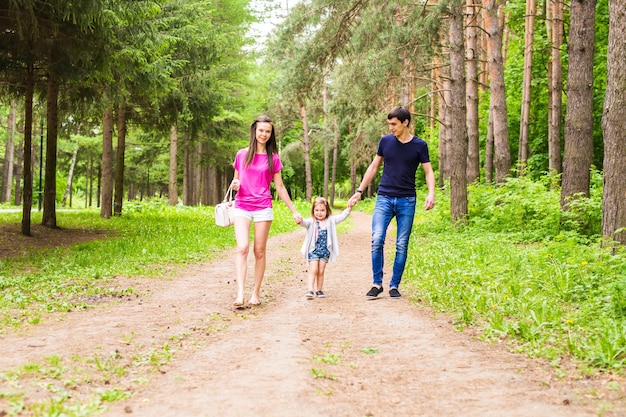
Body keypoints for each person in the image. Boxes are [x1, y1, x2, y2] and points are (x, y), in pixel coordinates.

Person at [348, 106, 435, 299]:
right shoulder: (385, 141)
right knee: (377, 239)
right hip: (384, 198)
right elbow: (373, 166)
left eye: (394, 124)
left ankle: (394, 285)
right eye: (389, 124)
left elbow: (428, 171)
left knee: (401, 244)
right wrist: (359, 191)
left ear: (405, 122)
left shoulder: (420, 145)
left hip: (407, 200)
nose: (391, 128)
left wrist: (431, 193)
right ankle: (376, 283)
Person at [230, 115, 302, 308]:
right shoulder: (241, 154)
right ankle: (240, 294)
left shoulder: (274, 159)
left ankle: (255, 293)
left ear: (271, 135)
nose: (263, 134)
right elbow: (236, 180)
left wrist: (293, 210)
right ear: (254, 131)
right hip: (242, 205)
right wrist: (235, 184)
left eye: (267, 131)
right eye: (261, 130)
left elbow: (280, 187)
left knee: (259, 251)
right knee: (242, 247)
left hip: (263, 207)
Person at [297, 197, 355, 299]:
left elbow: (341, 217)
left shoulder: (330, 221)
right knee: (313, 269)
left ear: (327, 211)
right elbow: (304, 223)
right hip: (313, 250)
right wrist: (300, 220)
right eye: (317, 210)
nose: (319, 213)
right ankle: (310, 290)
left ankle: (319, 290)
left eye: (322, 210)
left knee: (321, 270)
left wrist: (349, 208)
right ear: (313, 210)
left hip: (325, 251)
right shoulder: (311, 222)